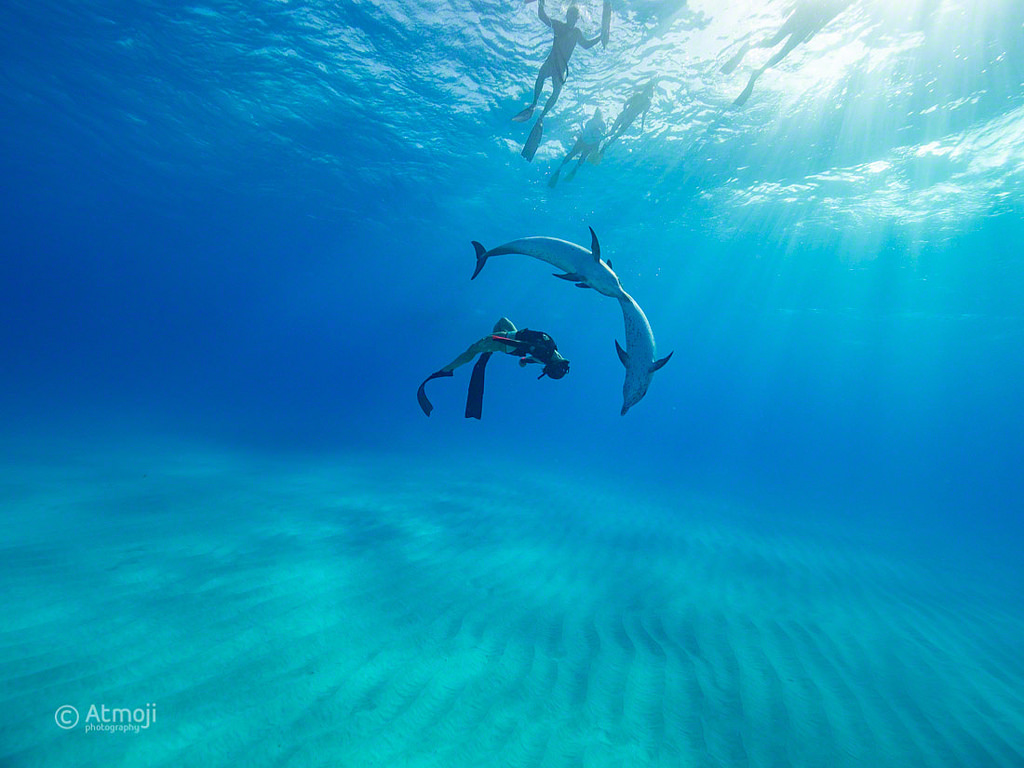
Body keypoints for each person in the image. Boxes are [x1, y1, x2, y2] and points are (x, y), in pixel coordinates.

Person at [417, 318, 570, 419]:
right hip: (512, 337)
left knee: (472, 349)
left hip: (505, 343)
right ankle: (489, 350)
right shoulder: (549, 354)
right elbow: (535, 355)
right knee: (502, 320)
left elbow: (525, 348)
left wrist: (497, 339)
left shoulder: (549, 354)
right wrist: (525, 360)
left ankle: (448, 370)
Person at [513, 0, 603, 161]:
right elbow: (542, 16)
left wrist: (601, 36)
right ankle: (534, 104)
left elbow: (587, 45)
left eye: (575, 15)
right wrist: (541, 3)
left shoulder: (577, 33)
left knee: (556, 93)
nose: (572, 17)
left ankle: (541, 116)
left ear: (578, 18)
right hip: (551, 62)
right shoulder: (558, 25)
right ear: (567, 14)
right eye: (570, 14)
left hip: (560, 69)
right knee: (541, 76)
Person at [721, 0, 851, 107]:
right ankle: (748, 49)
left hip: (807, 22)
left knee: (782, 51)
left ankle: (756, 73)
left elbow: (829, 17)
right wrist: (793, 6)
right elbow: (828, 16)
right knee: (774, 43)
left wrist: (813, 31)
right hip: (803, 15)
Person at [548, 107, 606, 187]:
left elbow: (598, 136)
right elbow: (598, 136)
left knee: (576, 154)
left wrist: (596, 147)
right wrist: (596, 147)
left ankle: (564, 168)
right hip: (586, 142)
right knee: (578, 155)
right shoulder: (594, 122)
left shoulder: (596, 123)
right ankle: (570, 169)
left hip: (584, 141)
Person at [598, 80, 656, 158]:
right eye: (648, 89)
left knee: (616, 135)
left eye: (650, 90)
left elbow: (643, 115)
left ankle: (604, 147)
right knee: (612, 132)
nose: (648, 92)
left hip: (629, 121)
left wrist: (642, 127)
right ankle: (599, 139)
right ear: (645, 89)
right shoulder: (637, 96)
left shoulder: (648, 103)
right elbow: (625, 104)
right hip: (623, 115)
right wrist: (625, 116)